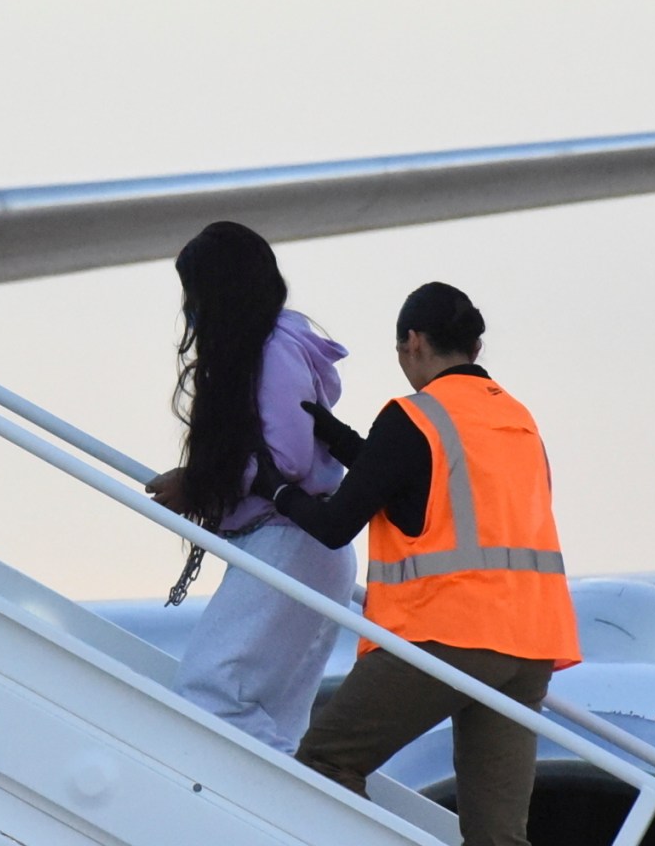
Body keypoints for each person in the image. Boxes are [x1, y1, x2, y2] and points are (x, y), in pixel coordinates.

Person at [264, 282, 577, 846]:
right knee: (497, 838)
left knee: (326, 761)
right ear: (473, 347)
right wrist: (338, 439)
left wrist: (277, 493)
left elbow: (337, 526)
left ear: (413, 342)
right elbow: (422, 488)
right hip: (529, 646)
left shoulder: (415, 416)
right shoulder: (517, 419)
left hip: (448, 634)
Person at [142, 221, 358, 752]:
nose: (190, 308)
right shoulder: (276, 345)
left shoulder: (273, 349)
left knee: (211, 696)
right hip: (298, 544)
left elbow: (283, 459)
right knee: (273, 724)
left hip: (289, 538)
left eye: (195, 293)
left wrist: (199, 484)